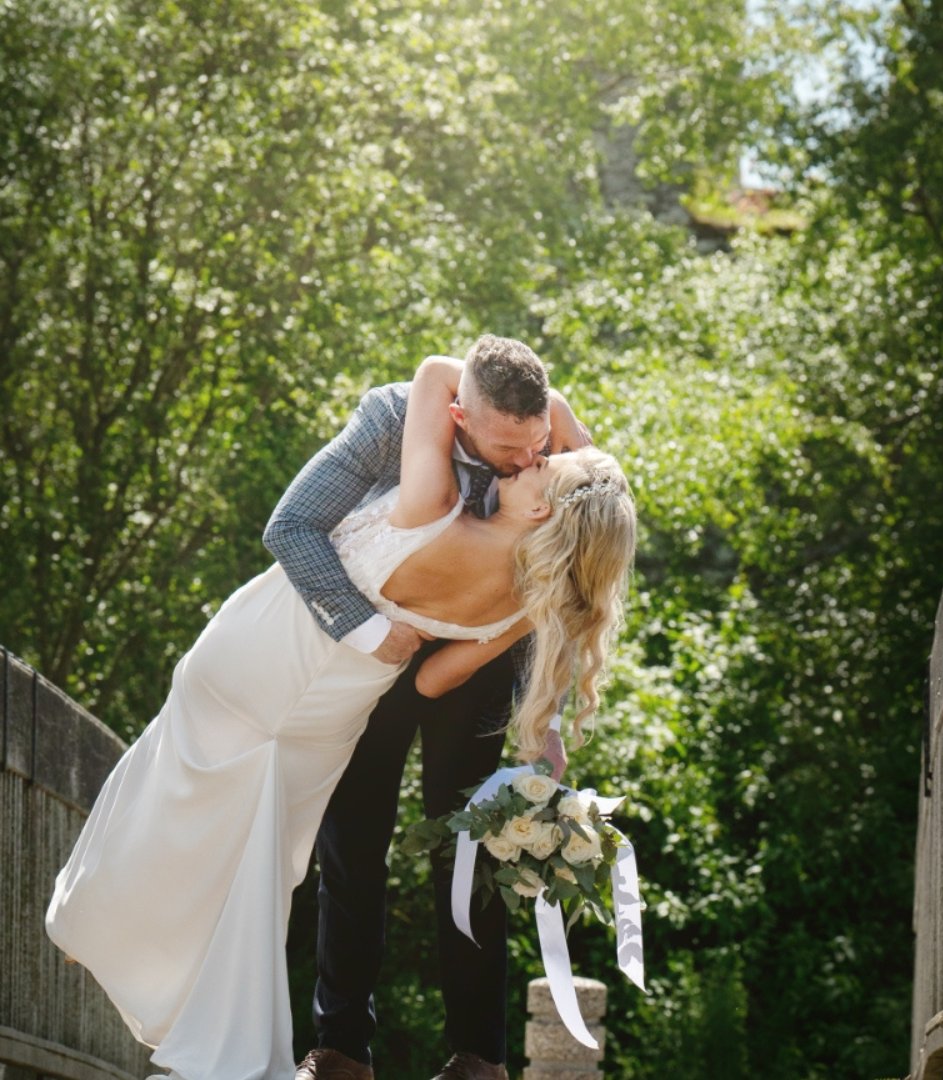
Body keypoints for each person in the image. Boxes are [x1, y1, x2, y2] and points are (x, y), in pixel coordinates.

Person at [45, 337, 636, 1080]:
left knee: (473, 844)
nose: (524, 460)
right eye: (510, 447)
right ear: (460, 414)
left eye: (538, 449)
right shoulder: (397, 422)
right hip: (355, 652)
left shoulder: (547, 446)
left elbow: (594, 534)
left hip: (470, 652)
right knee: (348, 845)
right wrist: (378, 631)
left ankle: (478, 1056)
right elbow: (292, 526)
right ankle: (342, 1049)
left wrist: (543, 706)